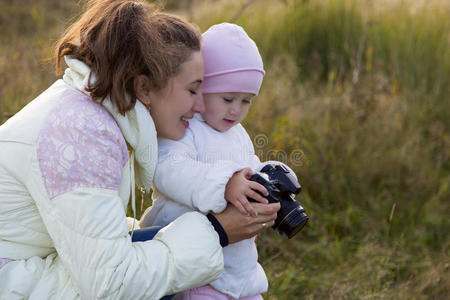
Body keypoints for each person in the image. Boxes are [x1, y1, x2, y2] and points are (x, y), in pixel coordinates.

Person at [0, 1, 280, 299]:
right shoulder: (78, 134)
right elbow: (110, 283)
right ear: (145, 88)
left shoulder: (92, 113)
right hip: (11, 279)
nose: (200, 106)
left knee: (158, 249)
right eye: (192, 89)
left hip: (22, 267)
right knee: (159, 265)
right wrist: (218, 231)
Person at [140, 23, 295, 300]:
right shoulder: (184, 126)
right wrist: (226, 184)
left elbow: (247, 168)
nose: (236, 110)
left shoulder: (238, 134)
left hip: (242, 270)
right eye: (227, 98)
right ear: (201, 88)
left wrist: (266, 182)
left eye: (247, 101)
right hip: (198, 272)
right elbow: (169, 168)